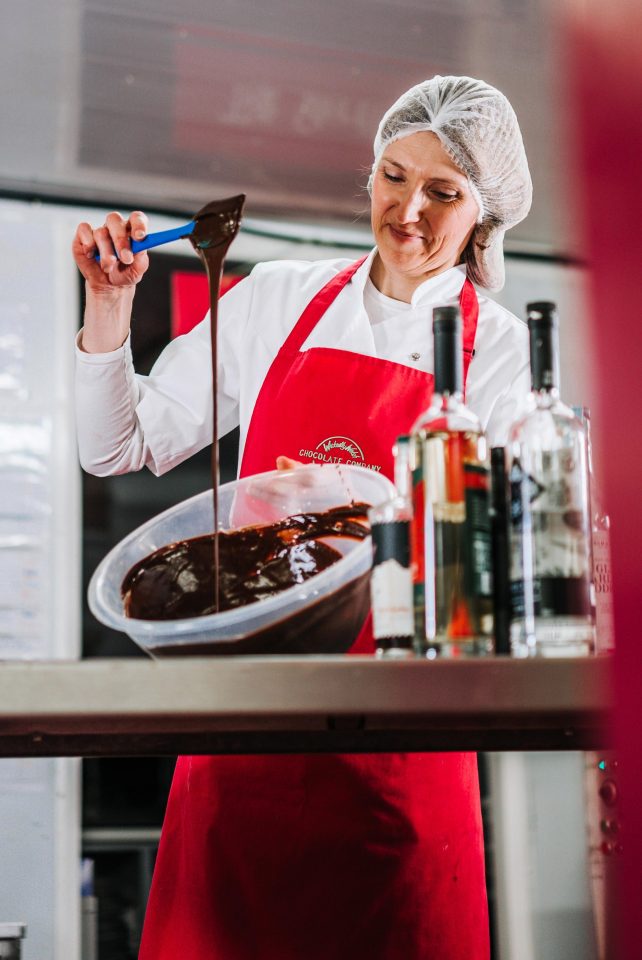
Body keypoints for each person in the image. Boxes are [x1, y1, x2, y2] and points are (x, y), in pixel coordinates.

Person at [73, 75, 532, 960]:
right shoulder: (279, 297)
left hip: (399, 767)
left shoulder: (501, 350)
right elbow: (116, 449)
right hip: (243, 745)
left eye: (444, 193)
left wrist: (348, 508)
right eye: (393, 177)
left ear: (486, 213)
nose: (408, 212)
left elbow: (490, 562)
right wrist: (109, 304)